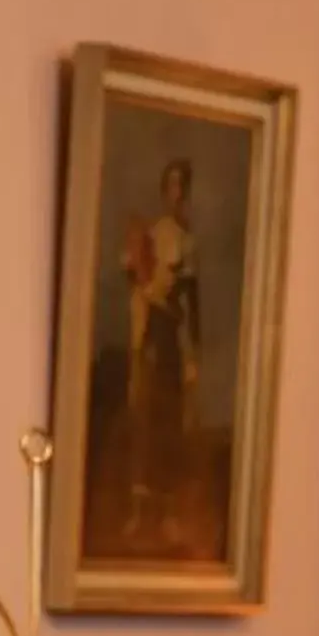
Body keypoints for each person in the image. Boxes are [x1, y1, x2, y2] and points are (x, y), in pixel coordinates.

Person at [117, 159, 200, 546]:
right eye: (171, 185)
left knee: (170, 425)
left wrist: (192, 355)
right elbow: (134, 274)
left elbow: (190, 300)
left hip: (171, 336)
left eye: (182, 186)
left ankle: (168, 516)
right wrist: (144, 285)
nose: (176, 193)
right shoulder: (151, 234)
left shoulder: (187, 241)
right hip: (149, 333)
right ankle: (137, 514)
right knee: (144, 421)